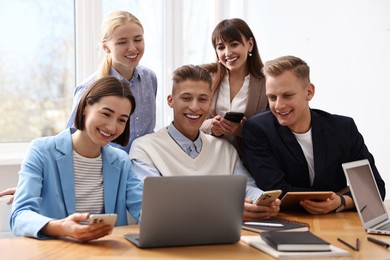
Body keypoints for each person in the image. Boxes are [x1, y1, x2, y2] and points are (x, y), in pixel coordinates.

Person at [130, 65, 280, 221]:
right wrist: (227, 209)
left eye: (202, 99)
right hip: (170, 243)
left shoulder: (225, 150)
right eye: (186, 98)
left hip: (224, 240)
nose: (195, 107)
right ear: (171, 101)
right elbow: (150, 209)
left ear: (210, 102)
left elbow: (248, 188)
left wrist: (264, 202)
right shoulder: (144, 148)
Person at [243, 55, 386, 214]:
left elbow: (374, 188)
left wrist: (341, 201)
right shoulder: (258, 129)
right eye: (272, 97)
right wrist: (333, 194)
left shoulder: (344, 129)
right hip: (288, 219)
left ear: (309, 92)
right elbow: (276, 190)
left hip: (338, 222)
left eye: (287, 95)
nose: (278, 105)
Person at [10, 77, 143, 241]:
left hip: (108, 253)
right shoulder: (42, 151)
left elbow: (144, 208)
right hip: (56, 251)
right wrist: (62, 228)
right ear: (86, 107)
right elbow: (19, 216)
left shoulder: (121, 161)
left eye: (122, 120)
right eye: (106, 114)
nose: (112, 127)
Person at [66, 10, 157, 153]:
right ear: (106, 47)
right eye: (122, 42)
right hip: (106, 169)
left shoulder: (149, 79)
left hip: (145, 166)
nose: (133, 48)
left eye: (138, 40)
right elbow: (72, 139)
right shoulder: (89, 88)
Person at [200, 18, 268, 164]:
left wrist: (244, 130)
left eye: (234, 44)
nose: (227, 52)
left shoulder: (266, 82)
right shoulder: (205, 77)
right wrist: (210, 126)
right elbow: (187, 119)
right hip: (210, 161)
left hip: (250, 162)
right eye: (221, 47)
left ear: (250, 45)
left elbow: (274, 129)